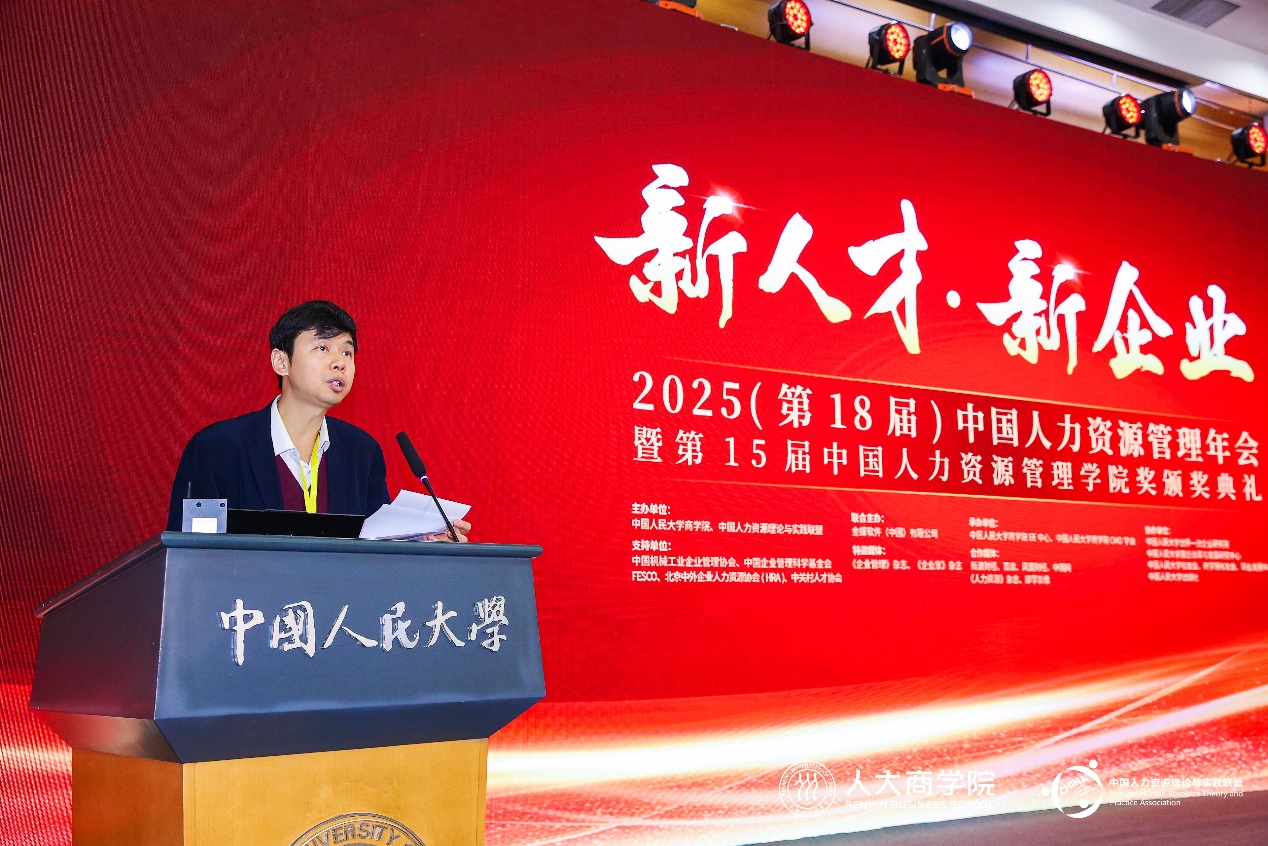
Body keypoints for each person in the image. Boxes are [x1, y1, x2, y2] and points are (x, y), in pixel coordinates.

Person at [166, 300, 470, 541]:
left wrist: (423, 543)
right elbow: (191, 554)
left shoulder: (361, 453)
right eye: (322, 348)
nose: (339, 362)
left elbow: (376, 550)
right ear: (281, 361)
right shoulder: (217, 449)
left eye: (347, 352)